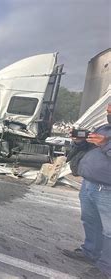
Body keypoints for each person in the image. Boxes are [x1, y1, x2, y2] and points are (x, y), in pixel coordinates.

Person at [63, 103, 111, 278]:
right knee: (90, 222)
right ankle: (90, 252)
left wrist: (105, 144)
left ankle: (106, 267)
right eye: (108, 111)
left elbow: (105, 149)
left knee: (109, 231)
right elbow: (90, 148)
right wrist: (80, 142)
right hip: (89, 184)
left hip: (107, 189)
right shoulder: (103, 128)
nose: (108, 113)